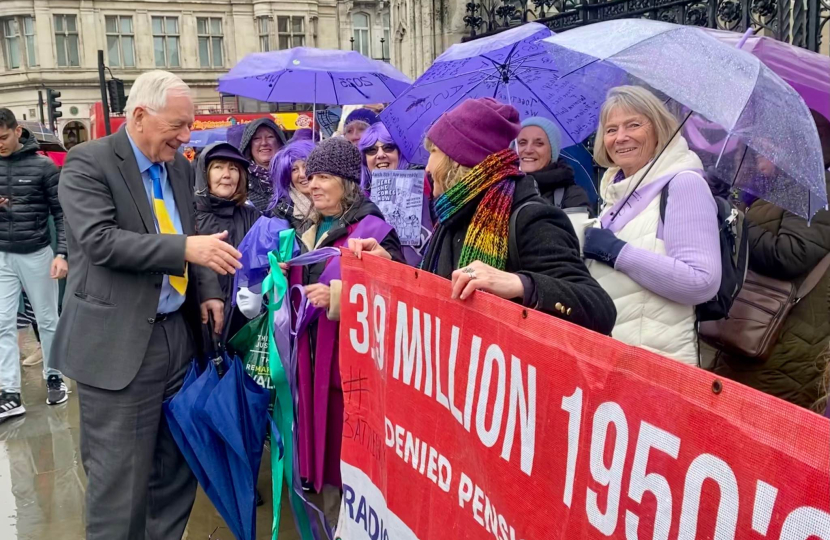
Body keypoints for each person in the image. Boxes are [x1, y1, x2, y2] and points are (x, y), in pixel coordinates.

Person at [53, 70, 241, 540]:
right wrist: (185, 251)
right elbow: (101, 242)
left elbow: (190, 232)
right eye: (178, 125)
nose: (185, 136)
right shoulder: (87, 163)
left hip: (176, 336)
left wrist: (208, 291)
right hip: (118, 346)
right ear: (139, 116)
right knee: (120, 484)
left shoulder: (177, 165)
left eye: (189, 125)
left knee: (175, 472)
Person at [350, 97, 616, 334]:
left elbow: (600, 309)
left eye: (434, 153)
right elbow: (440, 286)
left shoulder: (530, 217)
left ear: (459, 160)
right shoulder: (452, 213)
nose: (428, 167)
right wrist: (391, 264)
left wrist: (520, 283)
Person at [289, 137, 403, 524]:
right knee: (322, 468)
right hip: (313, 371)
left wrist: (337, 296)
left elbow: (400, 296)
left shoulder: (375, 230)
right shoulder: (309, 230)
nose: (312, 184)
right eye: (310, 176)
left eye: (323, 176)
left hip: (352, 379)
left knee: (348, 466)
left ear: (348, 182)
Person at [582, 86, 721, 365]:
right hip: (613, 359)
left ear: (658, 129)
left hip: (655, 367)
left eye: (633, 125)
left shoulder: (683, 184)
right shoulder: (616, 190)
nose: (621, 137)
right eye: (611, 129)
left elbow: (702, 282)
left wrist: (616, 252)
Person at [712, 109, 830, 408]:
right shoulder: (786, 191)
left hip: (780, 349)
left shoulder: (813, 191)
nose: (758, 149)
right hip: (762, 338)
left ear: (795, 149)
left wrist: (733, 219)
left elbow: (790, 254)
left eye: (769, 142)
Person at [0, 108, 68, 415]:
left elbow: (61, 213)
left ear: (17, 131)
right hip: (3, 255)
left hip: (37, 253)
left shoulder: (44, 167)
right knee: (2, 323)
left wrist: (62, 253)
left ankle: (54, 376)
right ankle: (9, 391)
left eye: (2, 137)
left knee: (48, 319)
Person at [195, 142, 261, 342]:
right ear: (203, 173)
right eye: (218, 167)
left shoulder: (252, 216)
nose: (227, 174)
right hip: (199, 324)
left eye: (233, 168)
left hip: (242, 326)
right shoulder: (187, 214)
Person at [516, 117, 592, 213]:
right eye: (522, 143)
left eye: (539, 143)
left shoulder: (572, 195)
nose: (528, 150)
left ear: (552, 151)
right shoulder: (499, 189)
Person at [239, 118, 288, 213]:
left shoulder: (293, 174)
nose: (264, 143)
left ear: (279, 142)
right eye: (256, 138)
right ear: (249, 145)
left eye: (270, 137)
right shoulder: (240, 179)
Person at [269, 140, 315, 231]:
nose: (302, 174)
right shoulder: (281, 212)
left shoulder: (334, 203)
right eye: (294, 169)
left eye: (306, 166)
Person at [357, 122, 410, 190]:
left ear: (399, 154)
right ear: (365, 160)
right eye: (372, 150)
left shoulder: (421, 191)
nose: (380, 155)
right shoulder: (357, 198)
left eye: (388, 148)